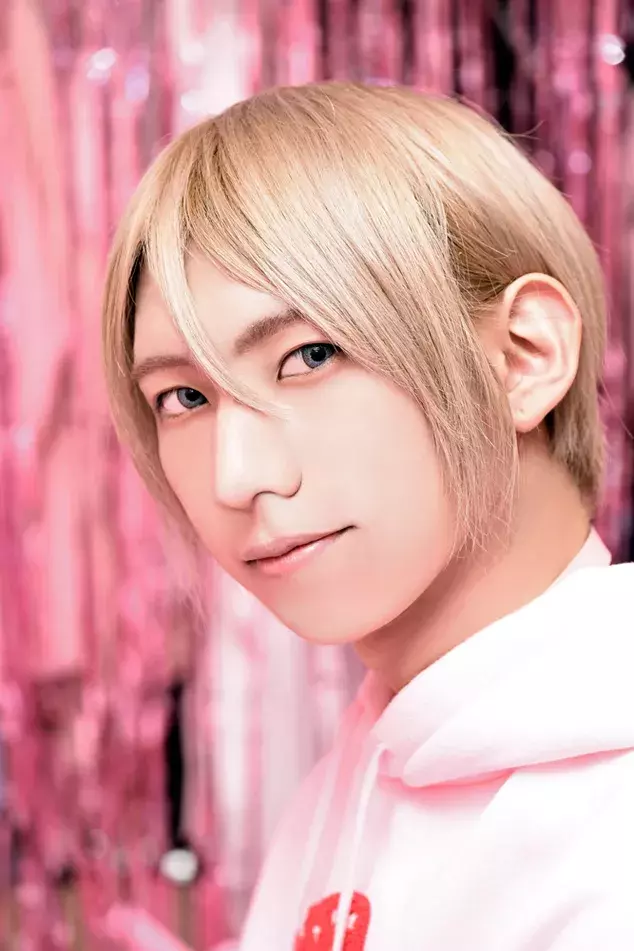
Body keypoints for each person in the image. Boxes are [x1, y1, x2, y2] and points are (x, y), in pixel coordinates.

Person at [102, 82, 634, 950]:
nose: (237, 476)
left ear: (523, 356)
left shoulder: (610, 833)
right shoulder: (364, 765)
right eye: (183, 397)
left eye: (309, 355)